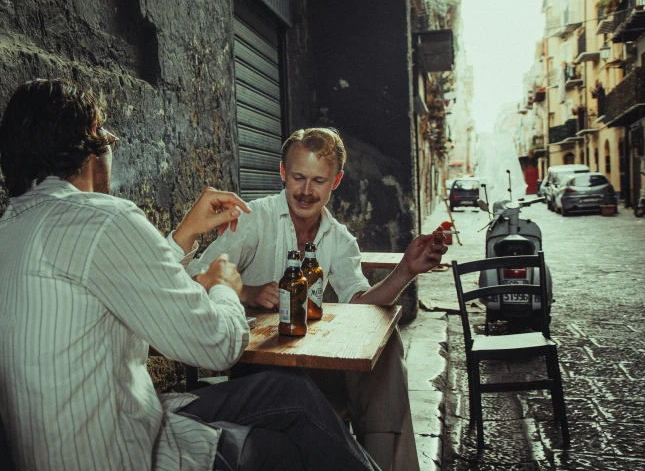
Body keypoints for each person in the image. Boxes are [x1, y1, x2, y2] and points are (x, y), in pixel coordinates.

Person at [0, 79, 379, 471]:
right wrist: (224, 288)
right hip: (117, 449)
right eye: (107, 137)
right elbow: (217, 347)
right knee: (285, 443)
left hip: (61, 440)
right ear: (89, 147)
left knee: (287, 391)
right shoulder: (102, 219)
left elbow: (121, 293)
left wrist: (183, 236)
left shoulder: (3, 236)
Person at [187, 127, 449, 471]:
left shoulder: (339, 239)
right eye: (298, 177)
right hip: (259, 368)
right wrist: (245, 291)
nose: (307, 191)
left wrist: (405, 271)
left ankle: (386, 463)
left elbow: (359, 305)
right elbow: (194, 275)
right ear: (283, 173)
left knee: (386, 348)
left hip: (312, 366)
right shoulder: (254, 220)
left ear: (336, 181)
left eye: (319, 181)